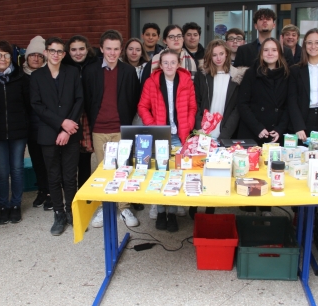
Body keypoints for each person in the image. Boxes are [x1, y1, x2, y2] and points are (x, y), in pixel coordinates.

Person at [82, 30, 141, 229]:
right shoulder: (91, 71)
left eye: (116, 49)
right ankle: (104, 206)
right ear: (101, 49)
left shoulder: (128, 71)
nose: (112, 53)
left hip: (120, 129)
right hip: (99, 128)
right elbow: (88, 99)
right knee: (103, 170)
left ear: (121, 50)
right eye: (108, 48)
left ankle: (124, 207)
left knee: (123, 168)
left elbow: (133, 99)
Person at [138, 49, 197, 232]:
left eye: (173, 62)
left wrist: (187, 127)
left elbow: (192, 107)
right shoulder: (152, 82)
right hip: (160, 135)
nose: (169, 66)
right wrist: (153, 125)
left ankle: (172, 212)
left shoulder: (186, 81)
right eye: (166, 63)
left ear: (178, 64)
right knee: (160, 174)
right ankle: (161, 211)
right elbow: (142, 107)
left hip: (180, 136)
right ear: (160, 65)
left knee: (175, 175)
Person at [30, 37, 83, 235]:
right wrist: (61, 123)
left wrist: (67, 128)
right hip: (47, 133)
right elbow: (37, 106)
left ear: (64, 54)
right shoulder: (37, 77)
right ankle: (58, 213)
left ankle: (71, 210)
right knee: (53, 176)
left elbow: (79, 100)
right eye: (52, 51)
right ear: (46, 52)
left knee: (70, 176)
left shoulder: (72, 72)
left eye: (60, 51)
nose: (56, 54)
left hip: (71, 132)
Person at [192, 39, 247, 219]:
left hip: (224, 129)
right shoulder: (203, 75)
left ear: (227, 55)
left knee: (216, 169)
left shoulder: (237, 77)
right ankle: (194, 204)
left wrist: (225, 134)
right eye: (214, 54)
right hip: (205, 129)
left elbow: (237, 109)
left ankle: (210, 208)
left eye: (221, 54)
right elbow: (197, 102)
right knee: (199, 167)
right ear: (209, 56)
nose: (218, 58)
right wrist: (200, 128)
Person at [237, 38, 290, 216]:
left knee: (269, 171)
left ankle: (267, 209)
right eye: (266, 50)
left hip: (274, 132)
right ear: (261, 53)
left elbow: (289, 106)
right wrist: (257, 127)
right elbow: (242, 104)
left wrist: (280, 129)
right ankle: (250, 211)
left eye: (274, 50)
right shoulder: (252, 74)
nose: (270, 53)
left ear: (279, 53)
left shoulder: (286, 75)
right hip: (253, 129)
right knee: (252, 172)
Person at [0, 40, 30, 225]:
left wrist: (25, 125)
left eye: (6, 55)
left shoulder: (20, 77)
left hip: (18, 131)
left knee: (17, 170)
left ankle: (16, 204)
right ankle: (3, 205)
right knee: (1, 171)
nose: (2, 59)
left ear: (12, 57)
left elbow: (28, 105)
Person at [21, 36, 53, 212]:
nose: (35, 58)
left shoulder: (48, 74)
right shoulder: (21, 75)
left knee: (49, 161)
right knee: (37, 161)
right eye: (32, 55)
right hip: (30, 127)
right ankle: (41, 190)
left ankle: (50, 192)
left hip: (46, 125)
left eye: (39, 56)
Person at [64, 35, 97, 191]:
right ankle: (70, 191)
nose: (78, 53)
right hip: (69, 115)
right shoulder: (64, 66)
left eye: (81, 49)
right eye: (74, 49)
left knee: (85, 157)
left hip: (87, 115)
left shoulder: (95, 64)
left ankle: (84, 190)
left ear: (87, 49)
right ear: (68, 51)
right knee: (69, 156)